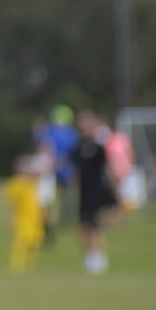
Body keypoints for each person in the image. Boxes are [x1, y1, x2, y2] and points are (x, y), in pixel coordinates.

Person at [73, 109, 117, 274]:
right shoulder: (80, 147)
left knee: (90, 225)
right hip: (84, 191)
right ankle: (94, 256)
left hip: (96, 190)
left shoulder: (99, 147)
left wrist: (114, 190)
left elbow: (108, 168)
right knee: (85, 226)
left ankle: (97, 259)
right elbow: (76, 170)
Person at [3, 154, 46, 272]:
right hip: (22, 218)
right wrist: (11, 220)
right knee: (21, 242)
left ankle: (30, 265)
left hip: (35, 218)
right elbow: (12, 204)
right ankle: (17, 265)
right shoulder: (16, 184)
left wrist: (43, 215)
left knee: (34, 242)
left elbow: (40, 203)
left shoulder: (35, 184)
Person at [41, 105, 80, 226]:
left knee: (63, 195)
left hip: (61, 167)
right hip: (57, 167)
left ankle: (62, 219)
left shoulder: (51, 132)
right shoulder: (71, 133)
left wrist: (56, 162)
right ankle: (55, 219)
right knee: (55, 195)